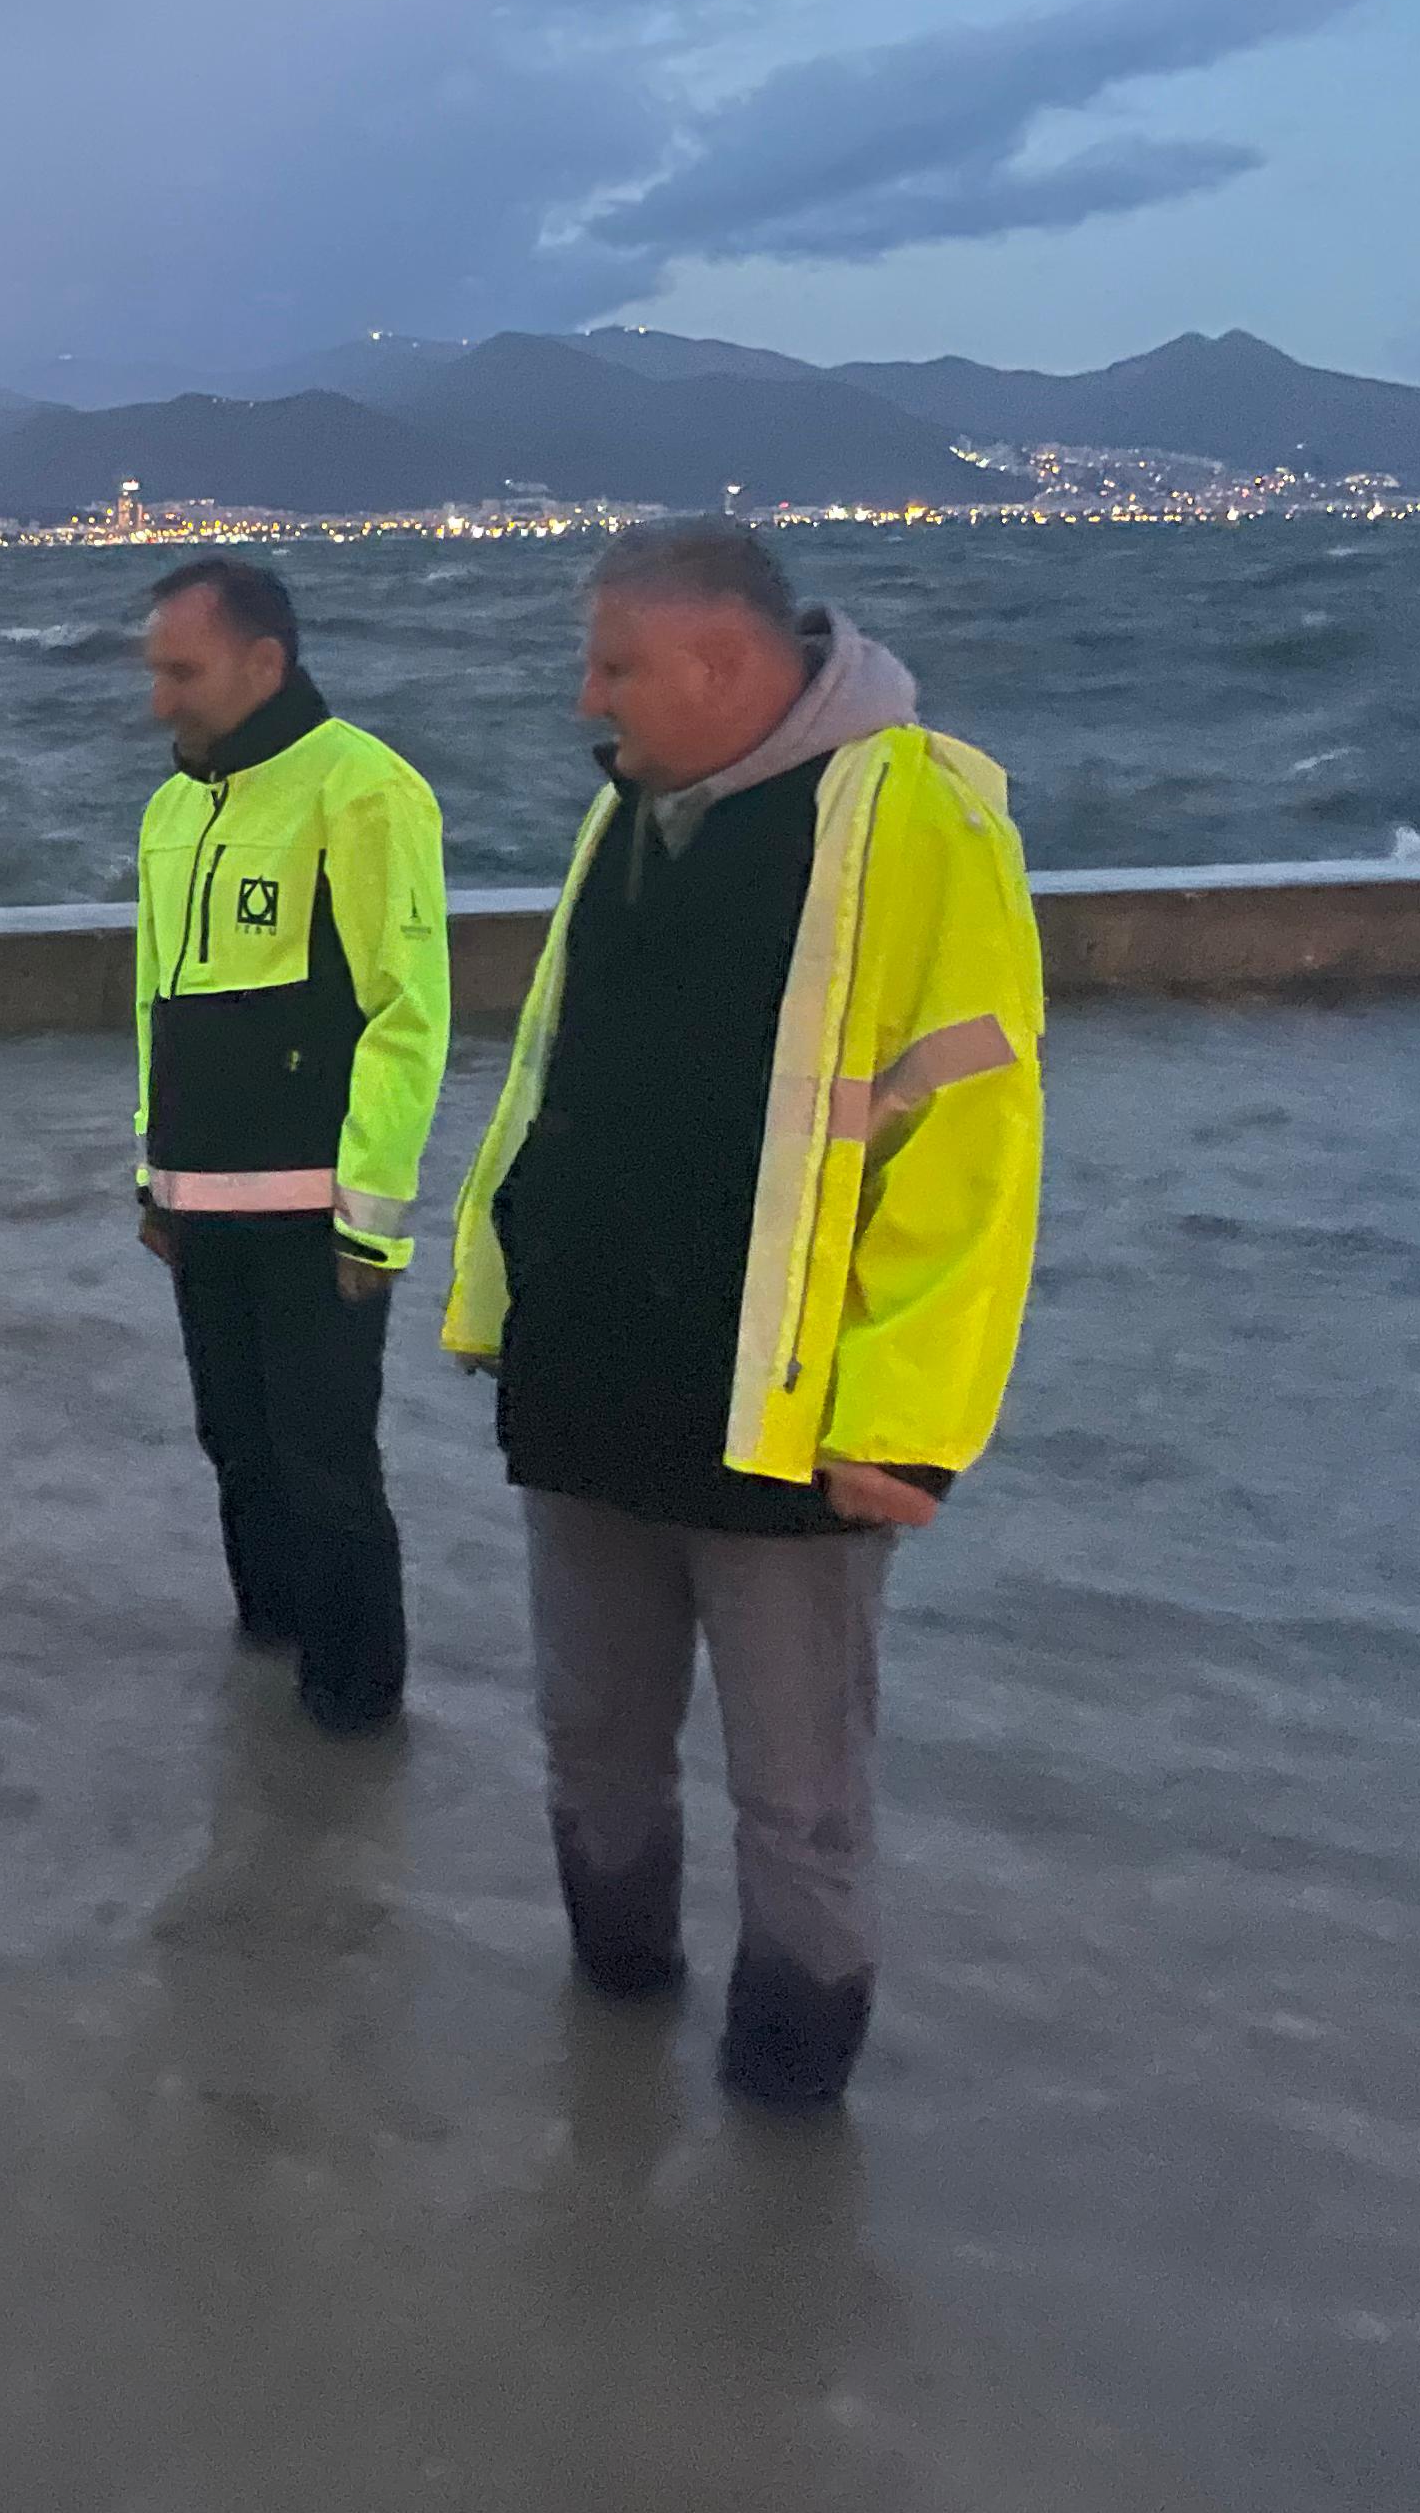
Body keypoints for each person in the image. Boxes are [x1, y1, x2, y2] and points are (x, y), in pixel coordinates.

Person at [442, 518, 1044, 2106]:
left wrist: (906, 1423)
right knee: (593, 1749)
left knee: (799, 1798)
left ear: (722, 659)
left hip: (784, 1416)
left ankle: (787, 2124)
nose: (591, 697)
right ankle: (616, 2057)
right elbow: (554, 1081)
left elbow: (970, 1146)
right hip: (588, 1378)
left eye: (617, 663)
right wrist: (497, 1292)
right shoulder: (633, 815)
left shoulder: (917, 820)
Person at [130, 554, 451, 1735]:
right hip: (197, 1200)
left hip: (320, 1214)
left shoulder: (364, 790)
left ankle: (356, 1704)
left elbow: (408, 1013)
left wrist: (373, 1218)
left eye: (184, 670)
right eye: (156, 670)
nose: (162, 697)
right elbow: (155, 1010)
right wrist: (151, 1177)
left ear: (266, 664)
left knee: (325, 1459)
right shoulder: (172, 810)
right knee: (234, 1439)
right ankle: (269, 1641)